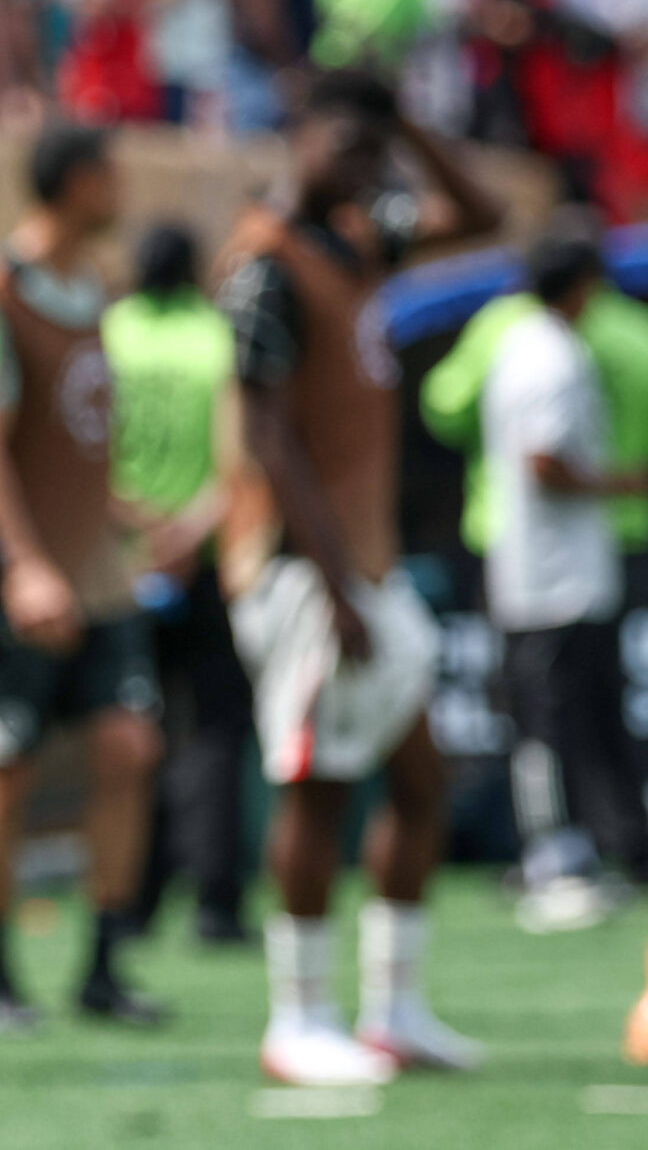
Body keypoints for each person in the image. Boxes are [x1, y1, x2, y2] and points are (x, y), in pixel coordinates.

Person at [215, 67, 501, 1086]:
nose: (365, 163)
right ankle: (294, 1022)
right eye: (347, 141)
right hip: (306, 571)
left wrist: (408, 121)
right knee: (318, 790)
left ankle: (394, 1010)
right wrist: (334, 586)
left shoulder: (356, 245)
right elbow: (264, 436)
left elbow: (483, 212)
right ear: (298, 138)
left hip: (365, 565)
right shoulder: (265, 267)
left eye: (370, 148)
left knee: (420, 779)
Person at [0, 124, 167, 1030]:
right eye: (112, 174)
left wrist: (118, 509)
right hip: (27, 583)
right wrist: (24, 562)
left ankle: (103, 965)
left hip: (99, 580)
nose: (123, 191)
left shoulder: (96, 291)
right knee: (5, 768)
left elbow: (71, 428)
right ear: (76, 181)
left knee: (129, 748)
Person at [421, 227, 648, 896]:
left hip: (532, 559)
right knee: (554, 715)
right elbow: (544, 460)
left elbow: (443, 407)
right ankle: (557, 852)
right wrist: (624, 482)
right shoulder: (555, 356)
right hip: (553, 571)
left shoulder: (508, 338)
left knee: (563, 711)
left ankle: (575, 846)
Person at [105, 223, 253, 947]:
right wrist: (189, 534)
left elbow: (84, 446)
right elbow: (240, 457)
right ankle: (217, 902)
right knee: (219, 732)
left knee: (137, 731)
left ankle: (130, 901)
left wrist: (142, 530)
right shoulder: (217, 338)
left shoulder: (110, 333)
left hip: (124, 559)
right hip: (206, 561)